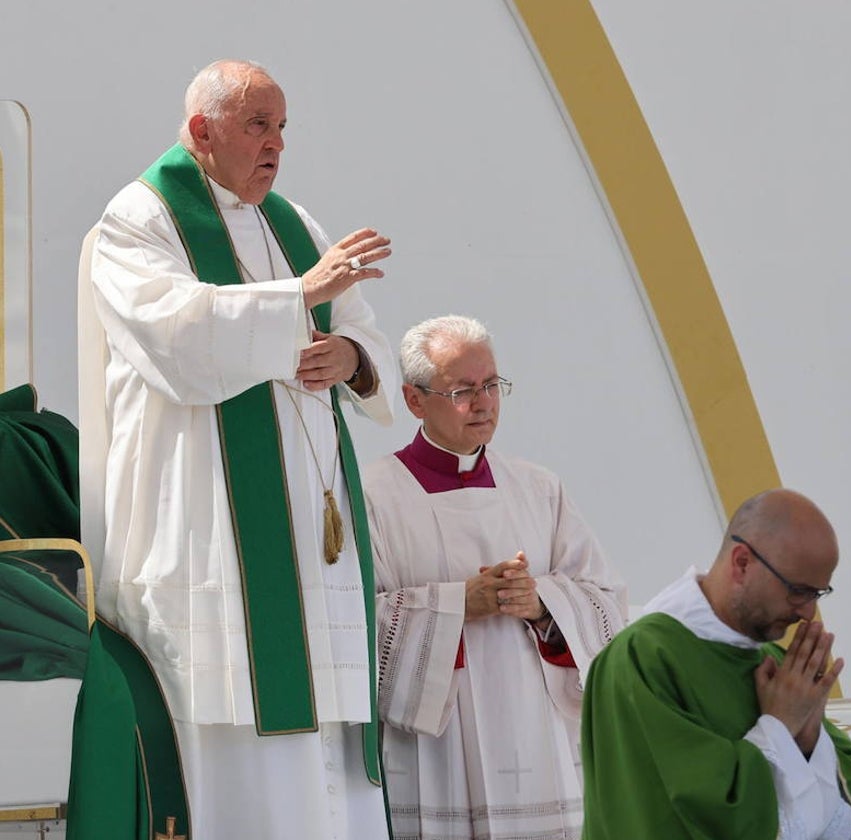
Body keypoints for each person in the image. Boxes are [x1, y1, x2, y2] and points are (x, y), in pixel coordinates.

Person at [76, 59, 396, 839]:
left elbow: (359, 323)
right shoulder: (139, 219)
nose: (277, 144)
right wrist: (298, 300)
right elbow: (175, 335)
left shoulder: (292, 223)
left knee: (322, 720)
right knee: (233, 723)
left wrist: (347, 355)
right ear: (201, 132)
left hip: (309, 541)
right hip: (205, 530)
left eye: (283, 127)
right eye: (258, 126)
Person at [362, 314, 626, 839]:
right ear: (415, 401)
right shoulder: (372, 493)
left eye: (490, 385)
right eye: (461, 390)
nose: (483, 403)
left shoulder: (539, 488)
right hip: (437, 751)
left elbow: (607, 603)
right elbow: (353, 621)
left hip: (537, 737)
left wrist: (542, 603)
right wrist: (460, 604)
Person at [581, 488, 851, 840]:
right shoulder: (643, 660)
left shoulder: (778, 666)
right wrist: (778, 727)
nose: (808, 612)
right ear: (742, 562)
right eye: (799, 591)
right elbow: (680, 815)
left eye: (817, 594)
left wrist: (808, 742)